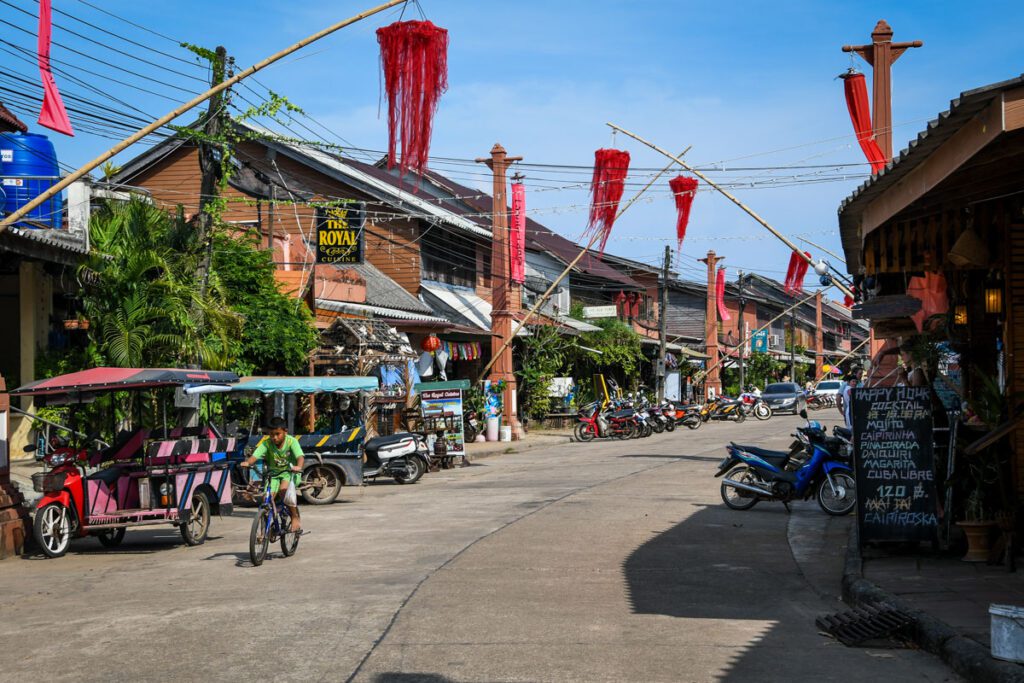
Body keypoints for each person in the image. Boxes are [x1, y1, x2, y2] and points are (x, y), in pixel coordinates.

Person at [240, 417, 304, 533]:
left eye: (278, 434)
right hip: (273, 475)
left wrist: (298, 467)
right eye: (271, 435)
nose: (274, 437)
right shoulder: (267, 444)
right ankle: (265, 529)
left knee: (284, 491)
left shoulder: (291, 442)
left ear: (285, 431)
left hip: (289, 473)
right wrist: (248, 463)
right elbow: (255, 456)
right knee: (266, 499)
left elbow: (300, 457)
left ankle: (295, 517)